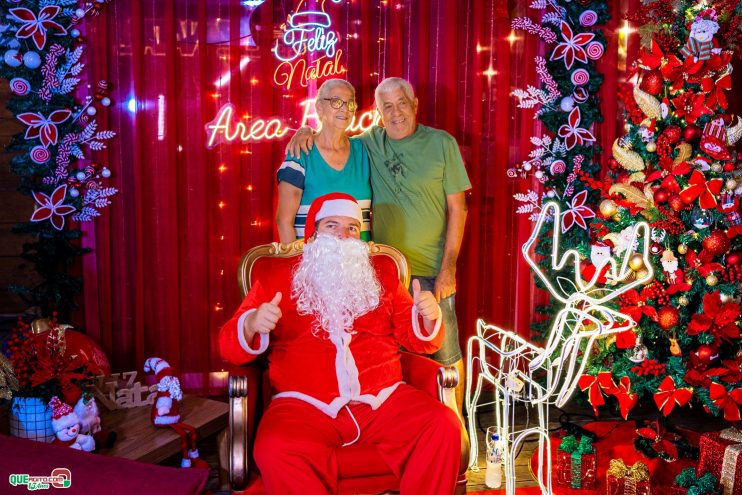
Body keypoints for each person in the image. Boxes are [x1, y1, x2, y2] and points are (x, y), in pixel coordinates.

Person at [219, 193, 461, 495]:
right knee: (274, 446)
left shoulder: (382, 275)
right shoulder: (275, 277)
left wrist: (427, 317)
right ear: (313, 233)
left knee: (442, 425)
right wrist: (252, 324)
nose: (343, 236)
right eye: (332, 225)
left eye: (351, 228)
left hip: (383, 398)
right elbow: (228, 345)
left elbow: (416, 341)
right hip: (303, 405)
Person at [287, 77, 471, 407]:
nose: (396, 112)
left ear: (415, 105)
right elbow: (331, 137)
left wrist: (449, 269)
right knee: (393, 361)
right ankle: (412, 428)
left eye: (402, 103)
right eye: (387, 106)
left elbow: (458, 208)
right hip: (385, 276)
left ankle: (458, 433)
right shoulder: (367, 144)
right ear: (378, 113)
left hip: (432, 271)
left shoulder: (442, 143)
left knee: (446, 355)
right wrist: (307, 133)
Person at [276, 79, 372, 243]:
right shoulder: (301, 153)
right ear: (319, 107)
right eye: (336, 102)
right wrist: (296, 266)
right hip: (314, 263)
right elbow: (284, 221)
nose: (344, 109)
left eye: (350, 104)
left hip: (358, 262)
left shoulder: (363, 150)